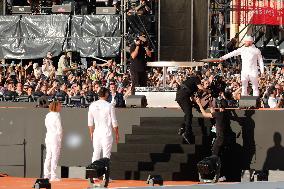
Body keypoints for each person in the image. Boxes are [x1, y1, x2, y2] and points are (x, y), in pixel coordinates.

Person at [176, 71, 210, 144]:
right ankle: (187, 132)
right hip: (183, 96)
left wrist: (198, 105)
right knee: (188, 114)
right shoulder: (196, 78)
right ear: (199, 76)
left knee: (188, 113)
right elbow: (200, 87)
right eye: (201, 78)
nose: (201, 80)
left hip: (179, 95)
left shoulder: (189, 81)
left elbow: (192, 98)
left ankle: (182, 128)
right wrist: (208, 91)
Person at [88, 87, 119, 164]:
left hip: (97, 133)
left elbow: (90, 122)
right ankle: (105, 175)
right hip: (106, 133)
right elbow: (114, 122)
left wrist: (91, 133)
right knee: (106, 155)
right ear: (106, 94)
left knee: (96, 153)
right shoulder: (109, 106)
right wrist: (117, 134)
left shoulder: (92, 105)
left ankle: (94, 174)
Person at [44, 101, 63, 181]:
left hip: (48, 136)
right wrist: (60, 138)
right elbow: (59, 129)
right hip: (55, 137)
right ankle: (53, 176)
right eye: (59, 106)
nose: (61, 107)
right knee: (55, 156)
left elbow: (46, 125)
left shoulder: (48, 115)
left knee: (48, 156)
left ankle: (46, 175)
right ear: (56, 106)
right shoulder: (57, 115)